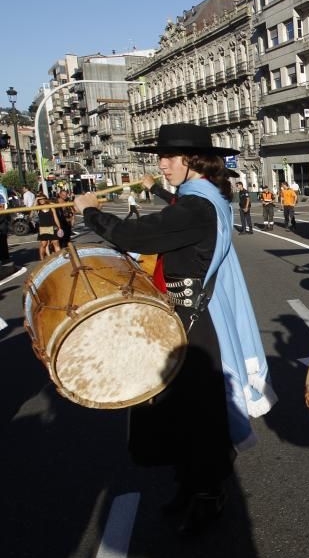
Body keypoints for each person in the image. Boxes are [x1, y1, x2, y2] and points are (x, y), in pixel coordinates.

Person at [74, 123, 274, 535]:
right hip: (183, 317)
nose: (161, 164)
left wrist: (90, 211)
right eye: (160, 157)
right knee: (181, 413)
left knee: (197, 414)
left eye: (169, 157)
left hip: (192, 323)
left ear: (193, 160)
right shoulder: (201, 199)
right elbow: (173, 220)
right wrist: (158, 191)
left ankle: (207, 494)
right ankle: (191, 484)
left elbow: (138, 234)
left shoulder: (198, 207)